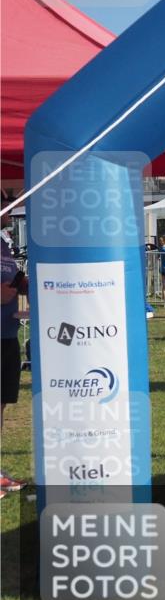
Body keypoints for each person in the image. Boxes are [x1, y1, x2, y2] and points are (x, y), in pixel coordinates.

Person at [1, 211, 27, 497]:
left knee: (2, 406)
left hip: (8, 334)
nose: (9, 208)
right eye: (5, 202)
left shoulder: (3, 243)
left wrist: (24, 289)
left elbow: (14, 280)